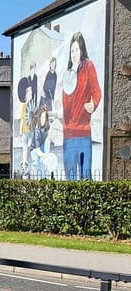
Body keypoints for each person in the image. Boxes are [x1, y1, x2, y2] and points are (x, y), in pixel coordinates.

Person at [62, 31, 101, 181]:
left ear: (82, 50)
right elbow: (65, 105)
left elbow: (96, 90)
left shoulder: (88, 67)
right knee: (70, 179)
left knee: (86, 177)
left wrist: (93, 103)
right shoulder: (68, 74)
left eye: (76, 50)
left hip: (84, 134)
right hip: (68, 135)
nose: (74, 54)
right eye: (72, 50)